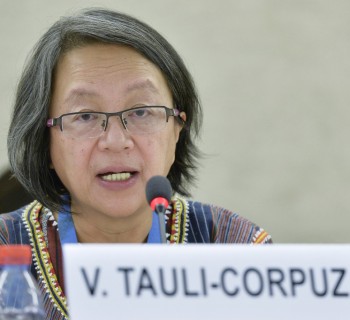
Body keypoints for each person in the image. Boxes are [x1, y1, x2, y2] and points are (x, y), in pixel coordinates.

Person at [0, 7, 272, 320]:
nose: (116, 140)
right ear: (44, 144)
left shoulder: (233, 248)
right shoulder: (7, 246)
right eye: (85, 115)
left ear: (177, 131)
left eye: (141, 112)